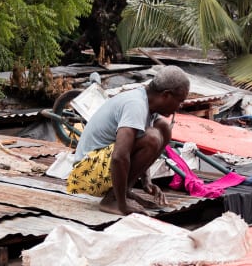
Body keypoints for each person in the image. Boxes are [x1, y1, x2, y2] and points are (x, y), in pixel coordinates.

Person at [66, 67, 190, 215]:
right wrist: (122, 204)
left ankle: (124, 192)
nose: (179, 107)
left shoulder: (147, 105)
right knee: (152, 137)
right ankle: (113, 199)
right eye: (180, 101)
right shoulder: (135, 104)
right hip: (86, 172)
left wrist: (147, 181)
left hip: (102, 168)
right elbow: (119, 156)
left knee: (164, 128)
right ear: (166, 95)